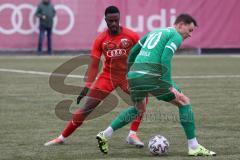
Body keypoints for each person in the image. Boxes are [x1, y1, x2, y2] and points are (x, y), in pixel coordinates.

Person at [96, 14, 216, 156]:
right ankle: (194, 146)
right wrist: (168, 84)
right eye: (189, 30)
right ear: (181, 25)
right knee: (184, 102)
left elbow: (133, 52)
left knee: (138, 108)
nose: (190, 35)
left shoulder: (155, 32)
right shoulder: (176, 35)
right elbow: (165, 58)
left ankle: (105, 134)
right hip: (151, 75)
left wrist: (129, 74)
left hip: (134, 76)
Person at [44, 6, 147, 147]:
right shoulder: (100, 40)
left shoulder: (132, 36)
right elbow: (94, 65)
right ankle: (62, 137)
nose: (114, 24)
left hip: (127, 77)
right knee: (87, 108)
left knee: (142, 99)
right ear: (105, 20)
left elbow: (144, 54)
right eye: (111, 21)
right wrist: (87, 86)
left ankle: (132, 134)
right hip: (108, 77)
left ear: (119, 19)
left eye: (116, 20)